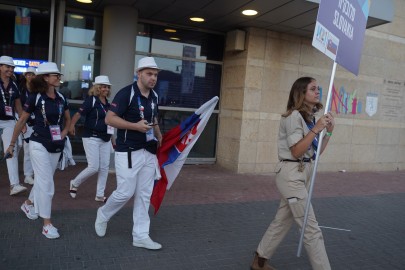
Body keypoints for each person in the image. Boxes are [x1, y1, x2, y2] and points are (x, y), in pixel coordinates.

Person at [251, 77, 335, 270]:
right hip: (291, 175)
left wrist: (329, 132)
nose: (318, 91)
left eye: (318, 88)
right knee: (310, 228)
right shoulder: (292, 117)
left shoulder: (308, 118)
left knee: (283, 220)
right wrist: (316, 128)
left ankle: (260, 260)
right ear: (301, 93)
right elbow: (296, 151)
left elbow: (314, 152)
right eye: (313, 89)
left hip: (304, 172)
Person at [95, 57, 163, 250]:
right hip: (128, 150)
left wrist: (158, 134)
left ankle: (140, 236)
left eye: (155, 75)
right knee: (125, 192)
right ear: (138, 73)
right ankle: (103, 214)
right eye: (149, 74)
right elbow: (109, 119)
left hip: (149, 150)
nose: (153, 78)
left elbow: (153, 117)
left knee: (144, 194)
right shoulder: (126, 94)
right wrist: (134, 126)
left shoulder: (155, 96)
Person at [6, 62, 71, 239]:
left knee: (44, 180)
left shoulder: (61, 97)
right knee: (47, 184)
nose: (58, 77)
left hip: (55, 145)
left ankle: (28, 203)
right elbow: (21, 121)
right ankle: (46, 224)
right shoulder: (35, 97)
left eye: (58, 75)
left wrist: (64, 134)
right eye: (55, 75)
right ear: (45, 78)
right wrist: (12, 145)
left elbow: (68, 119)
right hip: (38, 144)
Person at [68, 75, 113, 202]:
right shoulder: (91, 100)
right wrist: (72, 125)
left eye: (107, 87)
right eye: (104, 86)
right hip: (91, 137)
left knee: (104, 167)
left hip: (105, 138)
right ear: (98, 88)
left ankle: (99, 195)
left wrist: (112, 138)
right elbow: (78, 114)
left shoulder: (108, 104)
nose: (106, 89)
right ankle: (75, 183)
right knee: (94, 166)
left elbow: (110, 122)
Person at [0, 55, 27, 195]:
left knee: (12, 150)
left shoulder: (14, 85)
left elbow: (18, 105)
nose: (10, 70)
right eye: (7, 67)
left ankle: (14, 185)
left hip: (9, 121)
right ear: (0, 67)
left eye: (12, 67)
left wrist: (22, 121)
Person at [19, 66, 37, 185]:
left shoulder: (38, 90)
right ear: (25, 76)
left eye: (32, 74)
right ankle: (27, 175)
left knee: (35, 149)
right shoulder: (21, 90)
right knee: (27, 149)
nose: (30, 76)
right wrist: (22, 123)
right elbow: (18, 107)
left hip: (37, 123)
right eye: (28, 74)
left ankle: (34, 173)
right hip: (25, 123)